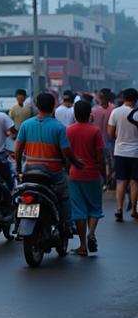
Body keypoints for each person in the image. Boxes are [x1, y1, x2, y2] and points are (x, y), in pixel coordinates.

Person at [15, 92, 80, 242]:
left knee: (20, 194)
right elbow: (66, 152)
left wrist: (18, 168)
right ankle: (67, 224)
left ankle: (16, 222)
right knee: (64, 195)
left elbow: (18, 150)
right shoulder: (59, 127)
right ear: (53, 107)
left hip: (29, 171)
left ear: (37, 107)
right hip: (53, 173)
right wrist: (72, 163)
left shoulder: (26, 124)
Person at [66, 100, 104, 256]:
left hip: (75, 174)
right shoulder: (95, 131)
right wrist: (103, 172)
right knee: (94, 207)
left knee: (79, 210)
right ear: (90, 114)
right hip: (93, 173)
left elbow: (66, 153)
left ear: (75, 114)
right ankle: (92, 233)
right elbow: (99, 155)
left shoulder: (69, 130)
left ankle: (82, 245)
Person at [108, 87, 138, 222]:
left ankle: (119, 210)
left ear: (123, 98)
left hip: (120, 151)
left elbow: (110, 133)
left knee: (121, 181)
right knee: (134, 182)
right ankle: (133, 210)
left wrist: (120, 138)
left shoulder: (116, 112)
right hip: (136, 153)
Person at [92, 89, 115, 190]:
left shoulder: (94, 110)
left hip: (97, 142)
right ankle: (110, 181)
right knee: (110, 163)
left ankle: (103, 181)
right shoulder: (114, 109)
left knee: (100, 162)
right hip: (110, 142)